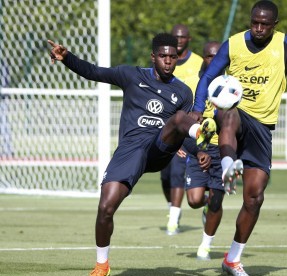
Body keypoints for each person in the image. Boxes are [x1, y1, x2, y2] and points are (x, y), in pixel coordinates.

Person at [47, 33, 217, 276]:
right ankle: (101, 265)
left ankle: (201, 131)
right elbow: (94, 72)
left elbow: (181, 130)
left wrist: (200, 151)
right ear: (153, 57)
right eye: (163, 56)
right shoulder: (131, 75)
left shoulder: (182, 92)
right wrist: (67, 58)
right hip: (131, 150)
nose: (169, 61)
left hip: (159, 149)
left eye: (173, 57)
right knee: (105, 207)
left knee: (181, 119)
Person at [190, 1, 287, 275]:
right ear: (250, 20)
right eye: (254, 23)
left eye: (265, 24)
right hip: (236, 113)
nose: (259, 28)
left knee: (254, 198)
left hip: (263, 127)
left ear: (275, 24)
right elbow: (208, 77)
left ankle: (233, 259)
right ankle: (228, 167)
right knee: (229, 115)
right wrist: (196, 108)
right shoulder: (234, 44)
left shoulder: (286, 44)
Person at [161, 24, 204, 235]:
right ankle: (173, 209)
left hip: (188, 126)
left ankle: (173, 220)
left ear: (189, 38)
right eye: (175, 36)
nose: (178, 40)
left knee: (178, 169)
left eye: (182, 36)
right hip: (167, 125)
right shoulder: (165, 61)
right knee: (165, 176)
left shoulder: (198, 63)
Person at [183, 41, 223, 261]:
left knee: (218, 198)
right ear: (204, 59)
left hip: (224, 148)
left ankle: (205, 246)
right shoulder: (192, 85)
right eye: (209, 56)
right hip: (200, 146)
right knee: (194, 200)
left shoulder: (231, 84)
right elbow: (182, 118)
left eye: (218, 57)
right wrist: (184, 144)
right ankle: (207, 205)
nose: (214, 61)